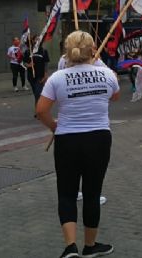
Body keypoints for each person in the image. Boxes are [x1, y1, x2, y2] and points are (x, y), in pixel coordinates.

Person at [35, 31, 120, 258]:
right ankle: (90, 246)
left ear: (66, 51)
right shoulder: (107, 74)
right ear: (93, 50)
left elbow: (41, 110)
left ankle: (70, 246)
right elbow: (115, 96)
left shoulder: (57, 78)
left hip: (67, 140)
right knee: (92, 194)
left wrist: (54, 126)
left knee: (67, 193)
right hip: (99, 139)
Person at [24, 34, 50, 108]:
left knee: (38, 93)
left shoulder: (43, 51)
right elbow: (23, 63)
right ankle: (39, 109)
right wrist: (28, 65)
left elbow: (46, 63)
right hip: (31, 76)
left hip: (40, 75)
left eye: (39, 39)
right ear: (32, 41)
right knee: (36, 93)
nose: (37, 41)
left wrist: (45, 74)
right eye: (36, 39)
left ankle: (38, 111)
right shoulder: (28, 51)